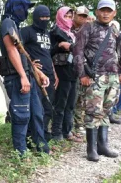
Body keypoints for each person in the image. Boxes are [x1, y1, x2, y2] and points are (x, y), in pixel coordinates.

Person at [73, 0, 121, 162]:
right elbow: (78, 51)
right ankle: (91, 149)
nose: (105, 13)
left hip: (113, 77)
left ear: (114, 13)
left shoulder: (116, 31)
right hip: (95, 77)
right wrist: (82, 74)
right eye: (102, 10)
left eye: (109, 11)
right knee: (92, 111)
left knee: (106, 110)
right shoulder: (88, 28)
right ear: (97, 12)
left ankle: (103, 145)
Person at [0, 0, 50, 155]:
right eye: (23, 7)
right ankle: (20, 152)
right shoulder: (8, 23)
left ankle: (41, 148)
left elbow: (23, 53)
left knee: (37, 113)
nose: (26, 12)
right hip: (16, 77)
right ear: (15, 7)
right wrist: (22, 76)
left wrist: (37, 72)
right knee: (21, 115)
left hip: (27, 75)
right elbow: (11, 50)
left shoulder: (15, 25)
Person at [21, 4, 58, 142]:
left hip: (49, 75)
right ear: (35, 17)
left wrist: (54, 73)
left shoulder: (47, 34)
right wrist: (30, 64)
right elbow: (19, 50)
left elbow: (48, 54)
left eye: (47, 17)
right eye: (42, 17)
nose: (45, 19)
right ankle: (31, 138)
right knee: (36, 109)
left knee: (48, 107)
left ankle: (44, 135)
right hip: (35, 76)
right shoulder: (26, 31)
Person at [50, 7, 80, 142]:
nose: (68, 18)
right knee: (60, 103)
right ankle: (56, 132)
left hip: (74, 72)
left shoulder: (72, 34)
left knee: (71, 104)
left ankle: (67, 130)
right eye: (66, 16)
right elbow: (48, 52)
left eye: (70, 16)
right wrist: (60, 45)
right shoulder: (54, 32)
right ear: (60, 16)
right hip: (61, 71)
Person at [72, 6, 90, 136]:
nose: (82, 18)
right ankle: (74, 125)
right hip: (69, 67)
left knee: (83, 98)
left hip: (85, 68)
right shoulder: (68, 29)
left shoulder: (89, 30)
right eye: (80, 15)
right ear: (74, 15)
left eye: (85, 16)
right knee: (73, 98)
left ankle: (80, 124)